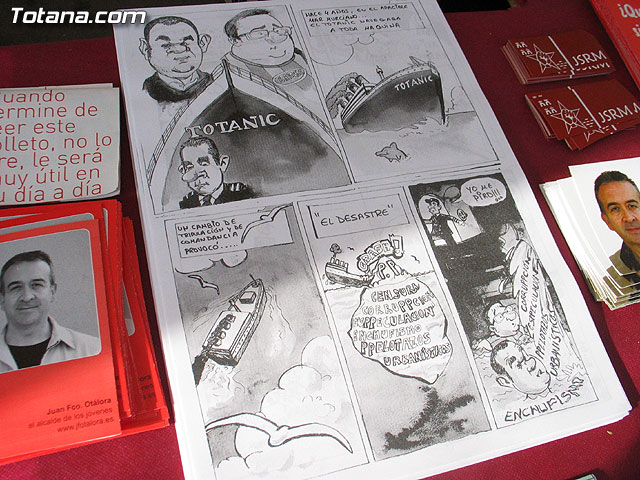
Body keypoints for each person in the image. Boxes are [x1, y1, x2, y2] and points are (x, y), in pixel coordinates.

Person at [0, 251, 101, 372]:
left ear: (52, 292)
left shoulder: (92, 350)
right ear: (2, 298)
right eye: (16, 287)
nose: (27, 297)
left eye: (36, 285)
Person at [223, 9, 313, 93]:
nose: (274, 38)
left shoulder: (301, 56)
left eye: (279, 31)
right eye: (260, 33)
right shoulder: (228, 68)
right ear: (236, 41)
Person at [139, 16, 212, 103]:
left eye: (186, 43)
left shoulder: (216, 82)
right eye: (166, 45)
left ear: (202, 43)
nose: (179, 50)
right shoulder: (146, 92)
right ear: (145, 49)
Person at [178, 136, 253, 209]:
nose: (198, 175)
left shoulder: (240, 194)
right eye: (189, 167)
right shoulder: (186, 203)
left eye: (204, 164)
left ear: (222, 163)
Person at [594, 170, 640, 281]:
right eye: (615, 209)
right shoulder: (612, 283)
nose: (629, 218)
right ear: (607, 221)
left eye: (632, 206)